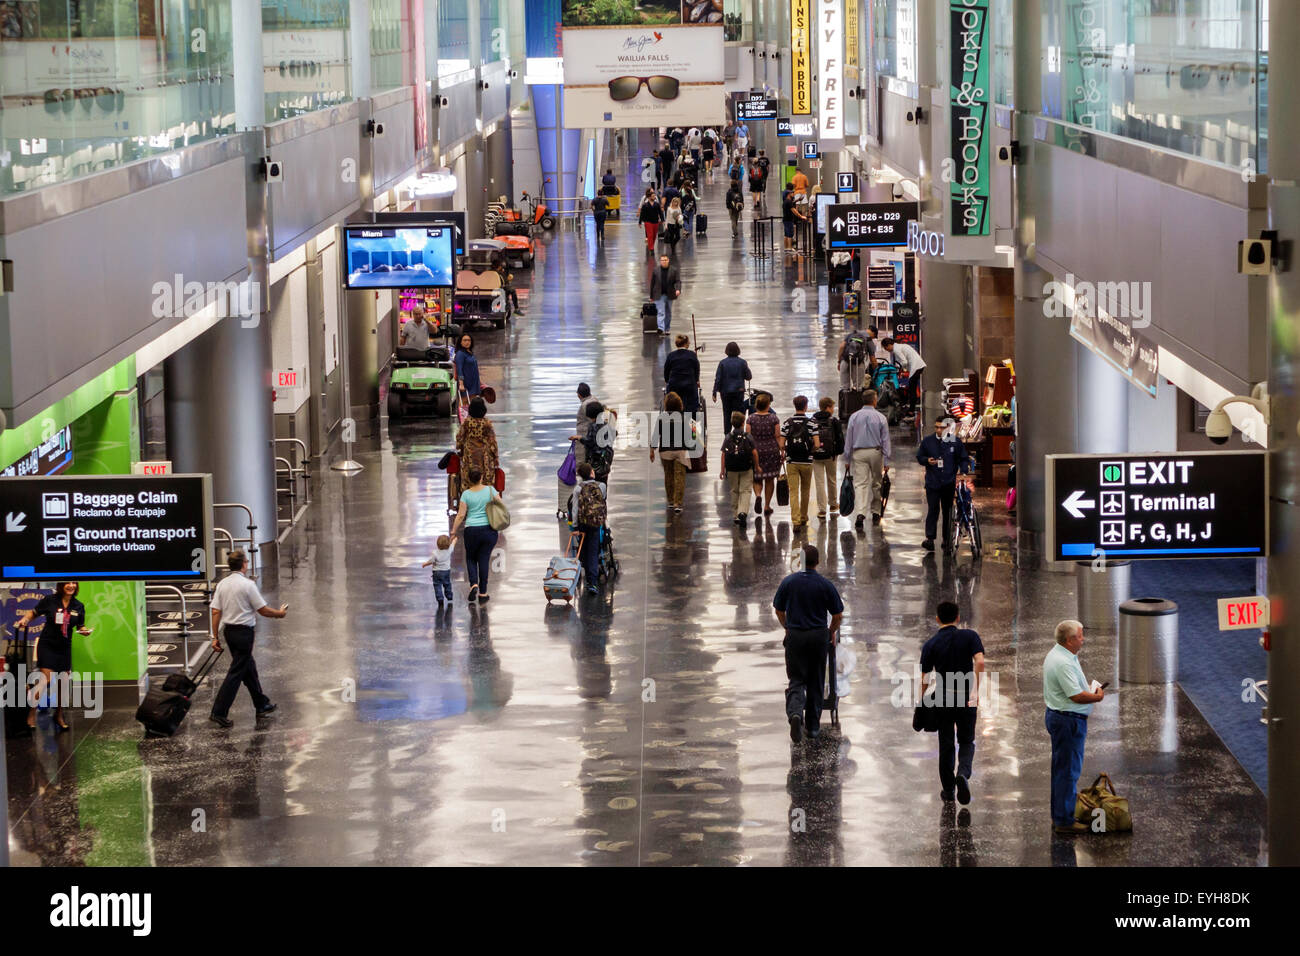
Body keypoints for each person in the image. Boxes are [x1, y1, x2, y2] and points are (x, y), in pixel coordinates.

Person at [773, 544, 844, 742]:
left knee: (796, 679)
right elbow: (838, 615)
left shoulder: (789, 582)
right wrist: (830, 632)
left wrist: (787, 626)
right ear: (818, 562)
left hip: (796, 636)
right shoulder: (825, 584)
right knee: (816, 680)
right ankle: (813, 727)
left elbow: (778, 609)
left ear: (801, 561)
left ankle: (795, 713)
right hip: (818, 637)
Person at [208, 551, 286, 727]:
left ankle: (261, 704)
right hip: (244, 633)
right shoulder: (248, 585)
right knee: (236, 673)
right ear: (244, 564)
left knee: (248, 668)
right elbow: (263, 610)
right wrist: (280, 614)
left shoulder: (222, 584)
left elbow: (215, 611)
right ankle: (219, 712)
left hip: (229, 633)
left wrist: (215, 637)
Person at [920, 601, 985, 805]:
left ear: (937, 619)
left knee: (946, 743)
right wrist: (975, 690)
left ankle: (948, 790)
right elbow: (980, 661)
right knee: (966, 740)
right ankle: (963, 774)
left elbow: (924, 677)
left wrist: (923, 701)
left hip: (943, 697)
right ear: (958, 618)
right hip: (966, 694)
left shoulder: (931, 644)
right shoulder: (970, 636)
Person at [1044, 620, 1105, 834]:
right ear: (1069, 640)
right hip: (1067, 721)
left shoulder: (1060, 654)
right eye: (1080, 636)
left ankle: (1060, 814)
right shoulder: (1064, 662)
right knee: (1069, 771)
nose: (1083, 639)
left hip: (1060, 717)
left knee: (1061, 770)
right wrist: (1096, 697)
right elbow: (1077, 696)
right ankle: (1064, 821)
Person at [15, 581, 93, 732]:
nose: (71, 586)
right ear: (61, 585)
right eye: (67, 583)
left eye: (73, 583)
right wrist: (25, 620)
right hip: (48, 644)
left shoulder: (78, 605)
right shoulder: (50, 600)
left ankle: (58, 715)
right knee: (46, 679)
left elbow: (80, 625)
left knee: (63, 683)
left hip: (64, 647)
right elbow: (34, 613)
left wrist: (84, 631)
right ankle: (31, 714)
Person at [917, 415, 972, 552]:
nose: (938, 430)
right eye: (936, 427)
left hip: (948, 482)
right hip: (932, 482)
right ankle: (930, 538)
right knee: (933, 510)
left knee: (948, 511)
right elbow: (919, 456)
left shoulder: (955, 442)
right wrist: (926, 460)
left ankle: (947, 539)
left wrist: (963, 471)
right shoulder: (928, 442)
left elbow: (963, 458)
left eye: (941, 427)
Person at [450, 468, 501, 604]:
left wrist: (453, 531)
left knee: (471, 558)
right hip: (489, 529)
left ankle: (474, 584)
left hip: (471, 530)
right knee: (484, 560)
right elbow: (500, 504)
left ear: (469, 479)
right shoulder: (490, 490)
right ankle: (483, 594)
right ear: (481, 477)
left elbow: (461, 515)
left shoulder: (466, 494)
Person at [843, 389, 891, 529]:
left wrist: (847, 459)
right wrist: (887, 461)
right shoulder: (881, 418)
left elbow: (849, 439)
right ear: (875, 401)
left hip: (859, 453)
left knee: (860, 484)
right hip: (876, 452)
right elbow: (885, 440)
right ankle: (876, 511)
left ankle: (860, 513)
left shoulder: (854, 417)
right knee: (877, 482)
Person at [781, 395, 820, 530]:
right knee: (805, 490)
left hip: (792, 461)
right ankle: (804, 517)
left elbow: (781, 444)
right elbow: (816, 443)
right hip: (807, 462)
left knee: (793, 492)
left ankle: (795, 520)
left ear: (794, 406)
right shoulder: (811, 424)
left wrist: (786, 451)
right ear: (806, 406)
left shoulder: (787, 423)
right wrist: (811, 451)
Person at [650, 390, 690, 514]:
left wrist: (652, 450)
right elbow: (691, 436)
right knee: (680, 477)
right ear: (679, 404)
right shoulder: (685, 418)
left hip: (665, 452)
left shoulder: (661, 418)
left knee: (668, 475)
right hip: (680, 451)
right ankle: (678, 503)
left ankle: (671, 501)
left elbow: (656, 435)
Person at [572, 462, 607, 594]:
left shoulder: (578, 489)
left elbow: (575, 509)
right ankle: (592, 582)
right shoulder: (601, 486)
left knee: (584, 548)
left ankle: (585, 574)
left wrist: (575, 526)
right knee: (593, 550)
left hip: (582, 523)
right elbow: (602, 502)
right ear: (592, 473)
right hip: (596, 523)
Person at [720, 410, 760, 525]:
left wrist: (723, 470)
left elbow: (723, 454)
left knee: (734, 490)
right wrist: (757, 466)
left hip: (732, 468)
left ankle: (736, 514)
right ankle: (743, 512)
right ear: (743, 423)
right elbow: (754, 453)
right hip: (746, 467)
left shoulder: (728, 437)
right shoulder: (748, 437)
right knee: (746, 490)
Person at [747, 391, 782, 516]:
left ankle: (757, 495)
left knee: (756, 477)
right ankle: (767, 505)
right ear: (768, 405)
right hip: (771, 450)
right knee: (769, 478)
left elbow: (748, 436)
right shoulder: (774, 418)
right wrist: (782, 450)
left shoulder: (750, 419)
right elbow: (778, 436)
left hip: (756, 450)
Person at [811, 396, 843, 520]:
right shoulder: (834, 421)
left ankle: (822, 509)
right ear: (828, 407)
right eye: (832, 407)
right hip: (831, 455)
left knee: (819, 482)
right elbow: (839, 438)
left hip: (816, 454)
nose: (833, 409)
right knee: (832, 479)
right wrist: (839, 452)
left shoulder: (812, 420)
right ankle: (833, 504)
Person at [456, 395, 499, 485]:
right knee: (487, 474)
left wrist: (460, 447)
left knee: (468, 472)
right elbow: (492, 441)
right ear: (483, 409)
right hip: (484, 454)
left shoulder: (467, 422)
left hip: (470, 453)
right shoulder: (487, 423)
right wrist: (495, 456)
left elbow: (460, 437)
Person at [881, 337, 927, 414]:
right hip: (919, 365)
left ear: (889, 345)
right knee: (912, 388)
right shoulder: (900, 346)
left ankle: (911, 411)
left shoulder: (896, 349)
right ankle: (911, 408)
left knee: (912, 389)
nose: (886, 350)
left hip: (916, 367)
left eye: (885, 348)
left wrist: (903, 369)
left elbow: (904, 362)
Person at [712, 341, 752, 426]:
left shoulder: (722, 363)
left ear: (727, 351)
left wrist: (714, 392)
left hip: (725, 392)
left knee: (726, 413)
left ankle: (727, 434)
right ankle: (739, 431)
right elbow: (749, 377)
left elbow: (718, 378)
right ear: (738, 350)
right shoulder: (742, 362)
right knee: (738, 414)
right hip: (739, 391)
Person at [663, 334, 701, 414]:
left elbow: (666, 370)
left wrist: (667, 380)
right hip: (689, 386)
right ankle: (692, 424)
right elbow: (696, 369)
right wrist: (696, 380)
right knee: (692, 407)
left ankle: (673, 421)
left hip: (674, 385)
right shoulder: (692, 355)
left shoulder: (671, 356)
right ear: (686, 344)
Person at [649, 253, 681, 334]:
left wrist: (678, 289)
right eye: (662, 260)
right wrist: (651, 296)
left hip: (669, 294)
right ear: (660, 261)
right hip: (658, 295)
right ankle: (661, 328)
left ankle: (667, 329)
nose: (664, 262)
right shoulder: (656, 270)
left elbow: (677, 281)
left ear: (668, 260)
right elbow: (652, 283)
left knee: (668, 312)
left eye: (665, 260)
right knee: (661, 312)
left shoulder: (674, 270)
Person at [421, 534, 455, 607]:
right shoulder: (449, 550)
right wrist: (454, 539)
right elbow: (453, 543)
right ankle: (449, 596)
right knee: (447, 584)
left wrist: (425, 564)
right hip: (446, 571)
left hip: (437, 572)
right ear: (448, 544)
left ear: (437, 544)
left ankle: (440, 599)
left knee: (437, 585)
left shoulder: (435, 553)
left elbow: (431, 561)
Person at [838, 323, 875, 390]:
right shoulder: (869, 340)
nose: (874, 338)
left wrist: (839, 361)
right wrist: (875, 369)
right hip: (858, 362)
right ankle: (856, 400)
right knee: (858, 387)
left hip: (845, 360)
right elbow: (873, 359)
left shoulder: (850, 335)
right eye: (874, 336)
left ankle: (845, 399)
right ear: (873, 333)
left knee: (844, 387)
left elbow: (841, 346)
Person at [453, 332, 482, 397]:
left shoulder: (470, 352)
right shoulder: (460, 354)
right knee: (464, 405)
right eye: (465, 340)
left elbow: (474, 368)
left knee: (473, 404)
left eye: (469, 340)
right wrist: (461, 384)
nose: (467, 342)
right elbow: (459, 369)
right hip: (466, 384)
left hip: (474, 383)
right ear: (460, 342)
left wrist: (480, 382)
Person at [782, 186, 809, 252]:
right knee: (790, 235)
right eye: (792, 193)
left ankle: (786, 248)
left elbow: (792, 203)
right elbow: (794, 211)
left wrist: (798, 200)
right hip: (789, 220)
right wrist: (801, 216)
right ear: (788, 194)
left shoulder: (786, 201)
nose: (793, 194)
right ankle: (789, 248)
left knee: (786, 234)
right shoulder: (789, 202)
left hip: (785, 219)